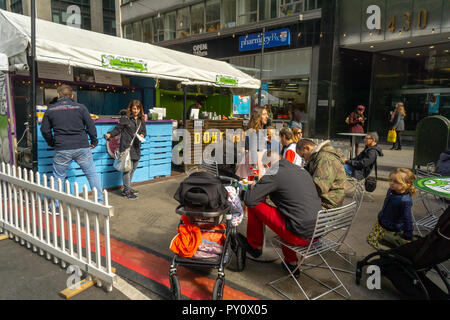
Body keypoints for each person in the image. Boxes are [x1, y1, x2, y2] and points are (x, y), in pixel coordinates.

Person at [238, 151, 322, 276]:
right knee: (289, 214)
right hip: (317, 232)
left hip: (299, 235)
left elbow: (250, 199)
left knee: (254, 205)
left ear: (267, 165)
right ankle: (291, 263)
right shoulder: (300, 170)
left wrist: (244, 191)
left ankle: (254, 246)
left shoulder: (274, 173)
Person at [40, 84, 103, 204]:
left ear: (58, 95)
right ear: (72, 95)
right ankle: (100, 202)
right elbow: (91, 126)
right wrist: (94, 141)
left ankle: (55, 206)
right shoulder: (81, 107)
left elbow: (45, 130)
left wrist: (52, 143)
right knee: (91, 174)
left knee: (59, 178)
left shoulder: (51, 109)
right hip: (82, 146)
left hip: (62, 147)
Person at [104, 100, 147, 199]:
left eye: (137, 108)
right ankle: (127, 191)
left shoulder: (141, 120)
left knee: (133, 169)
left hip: (136, 147)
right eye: (134, 108)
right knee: (127, 169)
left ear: (140, 109)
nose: (136, 111)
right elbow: (117, 129)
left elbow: (144, 131)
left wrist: (142, 135)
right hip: (126, 147)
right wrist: (110, 134)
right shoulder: (125, 118)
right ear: (131, 108)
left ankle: (127, 187)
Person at [367, 168, 416, 249]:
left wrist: (408, 235)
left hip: (391, 229)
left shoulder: (405, 201)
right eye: (391, 180)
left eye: (396, 182)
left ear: (407, 185)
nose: (392, 183)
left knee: (385, 247)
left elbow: (407, 219)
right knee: (374, 241)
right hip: (382, 223)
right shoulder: (391, 190)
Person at [296, 139, 346, 209]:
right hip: (327, 198)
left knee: (294, 206)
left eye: (303, 156)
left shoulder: (325, 158)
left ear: (307, 148)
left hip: (328, 202)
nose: (305, 160)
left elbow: (320, 188)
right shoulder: (318, 156)